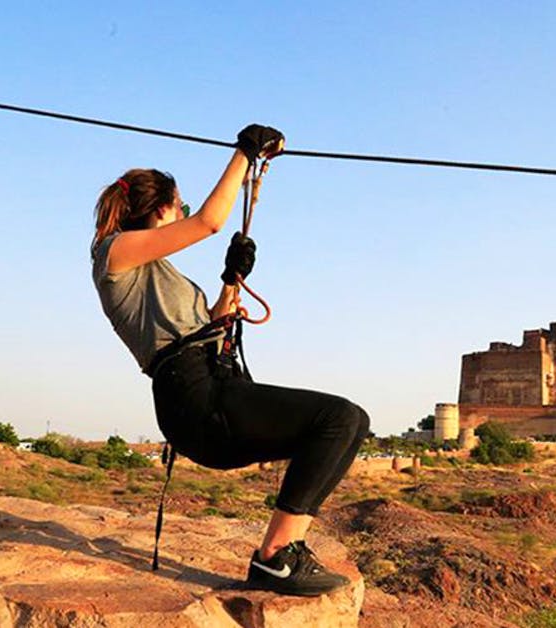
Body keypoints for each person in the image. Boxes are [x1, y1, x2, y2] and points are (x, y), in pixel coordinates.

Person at [90, 124, 370, 597]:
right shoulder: (113, 254)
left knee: (349, 423)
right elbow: (209, 222)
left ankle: (284, 551)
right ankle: (274, 557)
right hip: (193, 396)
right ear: (160, 209)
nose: (184, 211)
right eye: (179, 204)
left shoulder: (156, 271)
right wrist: (244, 154)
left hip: (209, 386)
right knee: (337, 418)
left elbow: (206, 325)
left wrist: (230, 279)